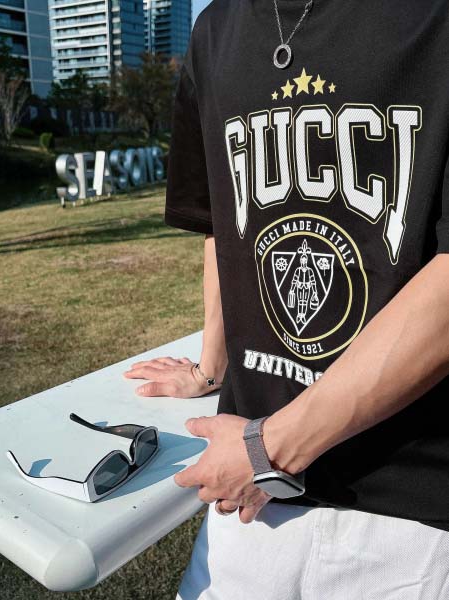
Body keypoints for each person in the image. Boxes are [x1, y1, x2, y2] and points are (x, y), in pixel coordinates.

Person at [124, 0, 449, 597]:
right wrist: (210, 369)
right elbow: (223, 220)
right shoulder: (214, 31)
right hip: (253, 496)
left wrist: (270, 448)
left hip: (410, 508)